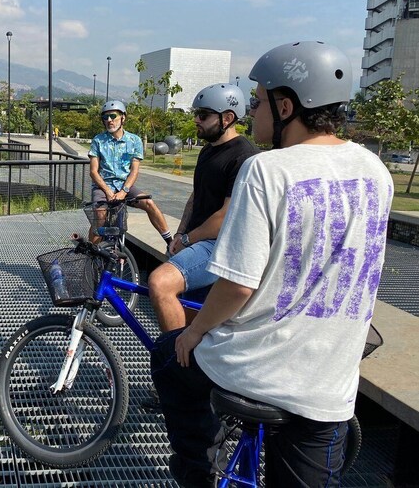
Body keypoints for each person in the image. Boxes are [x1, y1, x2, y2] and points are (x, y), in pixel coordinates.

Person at [150, 41, 393, 487]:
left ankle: (197, 472)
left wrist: (195, 331)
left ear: (286, 106)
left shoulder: (267, 170)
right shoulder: (376, 170)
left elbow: (238, 286)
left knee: (170, 357)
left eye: (259, 101)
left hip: (260, 366)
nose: (253, 111)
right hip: (331, 383)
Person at [148, 83, 257, 333]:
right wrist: (179, 234)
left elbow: (225, 216)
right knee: (188, 314)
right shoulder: (208, 150)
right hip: (196, 240)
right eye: (196, 113)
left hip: (218, 244)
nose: (196, 119)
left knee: (161, 283)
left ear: (228, 118)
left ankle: (173, 362)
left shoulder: (244, 157)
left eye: (204, 115)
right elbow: (196, 196)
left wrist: (187, 239)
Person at [89, 100, 173, 246]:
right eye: (105, 117)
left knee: (149, 203)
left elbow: (134, 170)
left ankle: (171, 243)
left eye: (113, 116)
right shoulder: (98, 140)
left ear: (123, 118)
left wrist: (124, 191)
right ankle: (92, 255)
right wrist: (108, 191)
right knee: (100, 215)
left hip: (125, 185)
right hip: (103, 186)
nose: (109, 120)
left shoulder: (134, 140)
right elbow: (93, 172)